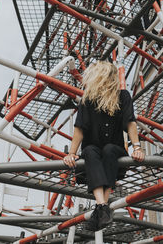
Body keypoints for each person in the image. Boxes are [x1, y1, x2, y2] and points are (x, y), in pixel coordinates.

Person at [63, 61, 145, 231]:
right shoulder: (88, 100)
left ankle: (101, 209)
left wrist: (137, 147)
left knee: (108, 150)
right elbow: (79, 128)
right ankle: (103, 207)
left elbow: (130, 123)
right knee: (90, 150)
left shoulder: (123, 96)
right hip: (93, 154)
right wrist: (71, 153)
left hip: (114, 152)